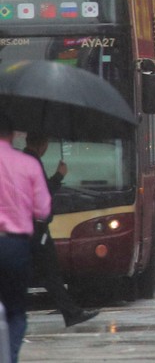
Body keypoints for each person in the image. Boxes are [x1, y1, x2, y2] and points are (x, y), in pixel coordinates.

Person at [21, 135, 97, 326]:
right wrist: (59, 175)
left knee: (46, 274)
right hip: (37, 229)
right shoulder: (32, 161)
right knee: (50, 273)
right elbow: (43, 192)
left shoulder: (26, 159)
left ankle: (71, 312)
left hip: (30, 227)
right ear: (42, 144)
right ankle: (71, 313)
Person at [0, 115, 51, 360]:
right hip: (15, 247)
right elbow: (43, 209)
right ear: (12, 136)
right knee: (16, 311)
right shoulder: (28, 164)